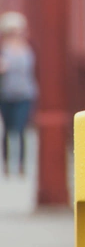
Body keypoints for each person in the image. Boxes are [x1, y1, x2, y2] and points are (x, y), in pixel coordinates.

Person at [0, 12, 37, 177]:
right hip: (6, 94)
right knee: (7, 130)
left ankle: (21, 164)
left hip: (24, 94)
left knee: (21, 129)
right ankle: (7, 164)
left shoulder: (27, 49)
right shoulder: (3, 51)